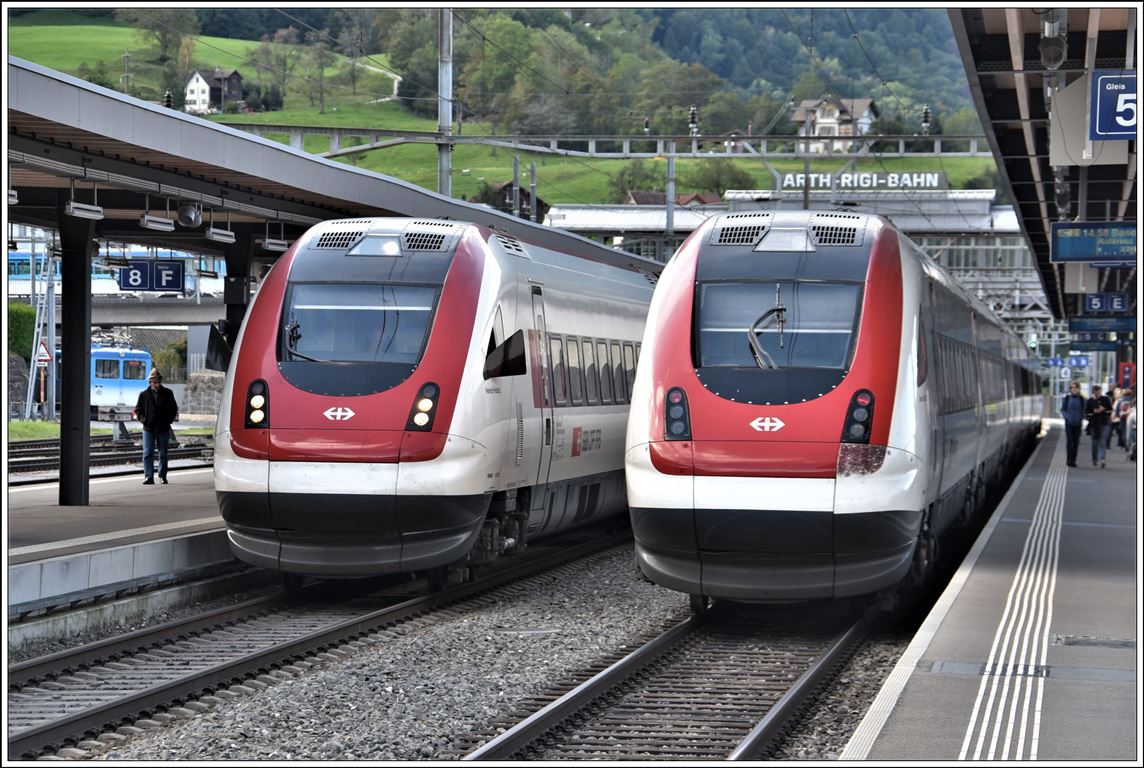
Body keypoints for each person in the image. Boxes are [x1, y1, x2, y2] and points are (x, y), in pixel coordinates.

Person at [133, 368, 179, 484]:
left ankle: (162, 476)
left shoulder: (168, 393)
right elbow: (138, 410)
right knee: (148, 453)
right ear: (150, 382)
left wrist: (168, 420)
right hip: (148, 429)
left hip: (163, 428)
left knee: (163, 452)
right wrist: (144, 420)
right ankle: (149, 477)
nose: (158, 384)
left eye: (159, 382)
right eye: (155, 382)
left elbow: (173, 408)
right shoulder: (144, 395)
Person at [1084, 383, 1113, 469]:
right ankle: (1094, 459)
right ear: (1093, 392)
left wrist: (1103, 409)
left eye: (1099, 393)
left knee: (1103, 442)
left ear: (1101, 392)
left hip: (1105, 423)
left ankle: (1102, 459)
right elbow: (1086, 413)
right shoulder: (1089, 401)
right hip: (1094, 424)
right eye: (1096, 393)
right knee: (1094, 443)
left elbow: (1110, 410)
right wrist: (1093, 412)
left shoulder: (1105, 399)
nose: (1097, 395)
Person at [1059, 380, 1085, 468]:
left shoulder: (1082, 399)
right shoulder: (1067, 398)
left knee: (1076, 442)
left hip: (1078, 424)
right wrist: (1067, 417)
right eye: (1072, 388)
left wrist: (1081, 417)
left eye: (1076, 387)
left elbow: (1084, 410)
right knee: (1070, 441)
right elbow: (1063, 409)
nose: (1074, 389)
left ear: (1079, 389)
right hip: (1069, 423)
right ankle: (1069, 459)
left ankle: (1073, 460)